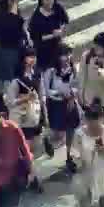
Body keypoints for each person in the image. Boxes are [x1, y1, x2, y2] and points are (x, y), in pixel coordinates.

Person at [4, 47, 44, 192]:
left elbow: (42, 95)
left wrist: (44, 115)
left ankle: (28, 175)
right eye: (29, 57)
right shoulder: (16, 80)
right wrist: (25, 99)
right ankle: (33, 178)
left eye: (33, 56)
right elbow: (9, 102)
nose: (32, 59)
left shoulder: (37, 75)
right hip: (22, 121)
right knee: (26, 151)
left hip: (35, 117)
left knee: (34, 149)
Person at [70, 104, 104, 207]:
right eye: (89, 122)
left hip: (103, 175)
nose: (91, 125)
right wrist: (79, 162)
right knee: (85, 204)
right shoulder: (79, 134)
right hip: (86, 175)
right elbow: (74, 152)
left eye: (95, 122)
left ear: (101, 119)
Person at [41, 44, 80, 173]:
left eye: (69, 54)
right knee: (57, 131)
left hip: (70, 102)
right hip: (56, 104)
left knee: (71, 128)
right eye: (64, 55)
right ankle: (48, 140)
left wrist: (71, 95)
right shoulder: (50, 72)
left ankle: (68, 156)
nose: (67, 57)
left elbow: (77, 84)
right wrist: (61, 94)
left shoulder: (73, 68)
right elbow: (47, 90)